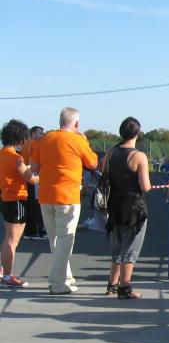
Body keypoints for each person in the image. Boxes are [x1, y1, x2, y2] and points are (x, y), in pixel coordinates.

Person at [30, 107, 98, 294]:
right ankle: (57, 283)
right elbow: (93, 163)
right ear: (77, 123)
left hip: (46, 195)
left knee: (55, 240)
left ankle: (66, 276)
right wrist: (85, 142)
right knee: (66, 239)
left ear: (60, 121)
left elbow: (34, 166)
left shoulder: (45, 139)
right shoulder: (77, 140)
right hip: (67, 196)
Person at [104, 117, 151, 300]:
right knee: (130, 248)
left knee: (117, 247)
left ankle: (112, 284)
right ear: (137, 133)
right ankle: (125, 288)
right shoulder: (139, 156)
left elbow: (105, 176)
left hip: (114, 204)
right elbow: (145, 186)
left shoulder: (110, 153)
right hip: (133, 207)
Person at [1, 120, 39, 287]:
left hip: (5, 197)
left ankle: (3, 271)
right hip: (17, 198)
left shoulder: (2, 154)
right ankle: (7, 276)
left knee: (8, 238)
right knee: (13, 241)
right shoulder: (16, 158)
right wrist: (45, 175)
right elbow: (31, 179)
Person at [20, 125, 46, 240]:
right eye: (40, 133)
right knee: (36, 204)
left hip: (26, 175)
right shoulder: (34, 144)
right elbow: (34, 162)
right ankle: (38, 232)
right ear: (33, 133)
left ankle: (29, 231)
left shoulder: (25, 144)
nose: (42, 135)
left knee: (29, 204)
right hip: (34, 176)